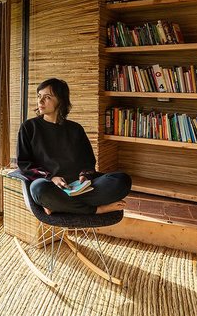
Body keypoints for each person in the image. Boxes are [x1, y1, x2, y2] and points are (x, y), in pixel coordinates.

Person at [17, 77, 130, 215]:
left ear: (60, 100)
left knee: (122, 180)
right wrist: (51, 177)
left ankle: (60, 205)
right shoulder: (29, 127)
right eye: (39, 96)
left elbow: (88, 161)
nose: (40, 101)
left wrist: (85, 176)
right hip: (51, 186)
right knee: (38, 190)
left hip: (80, 186)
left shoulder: (75, 129)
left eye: (47, 97)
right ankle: (96, 209)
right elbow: (24, 164)